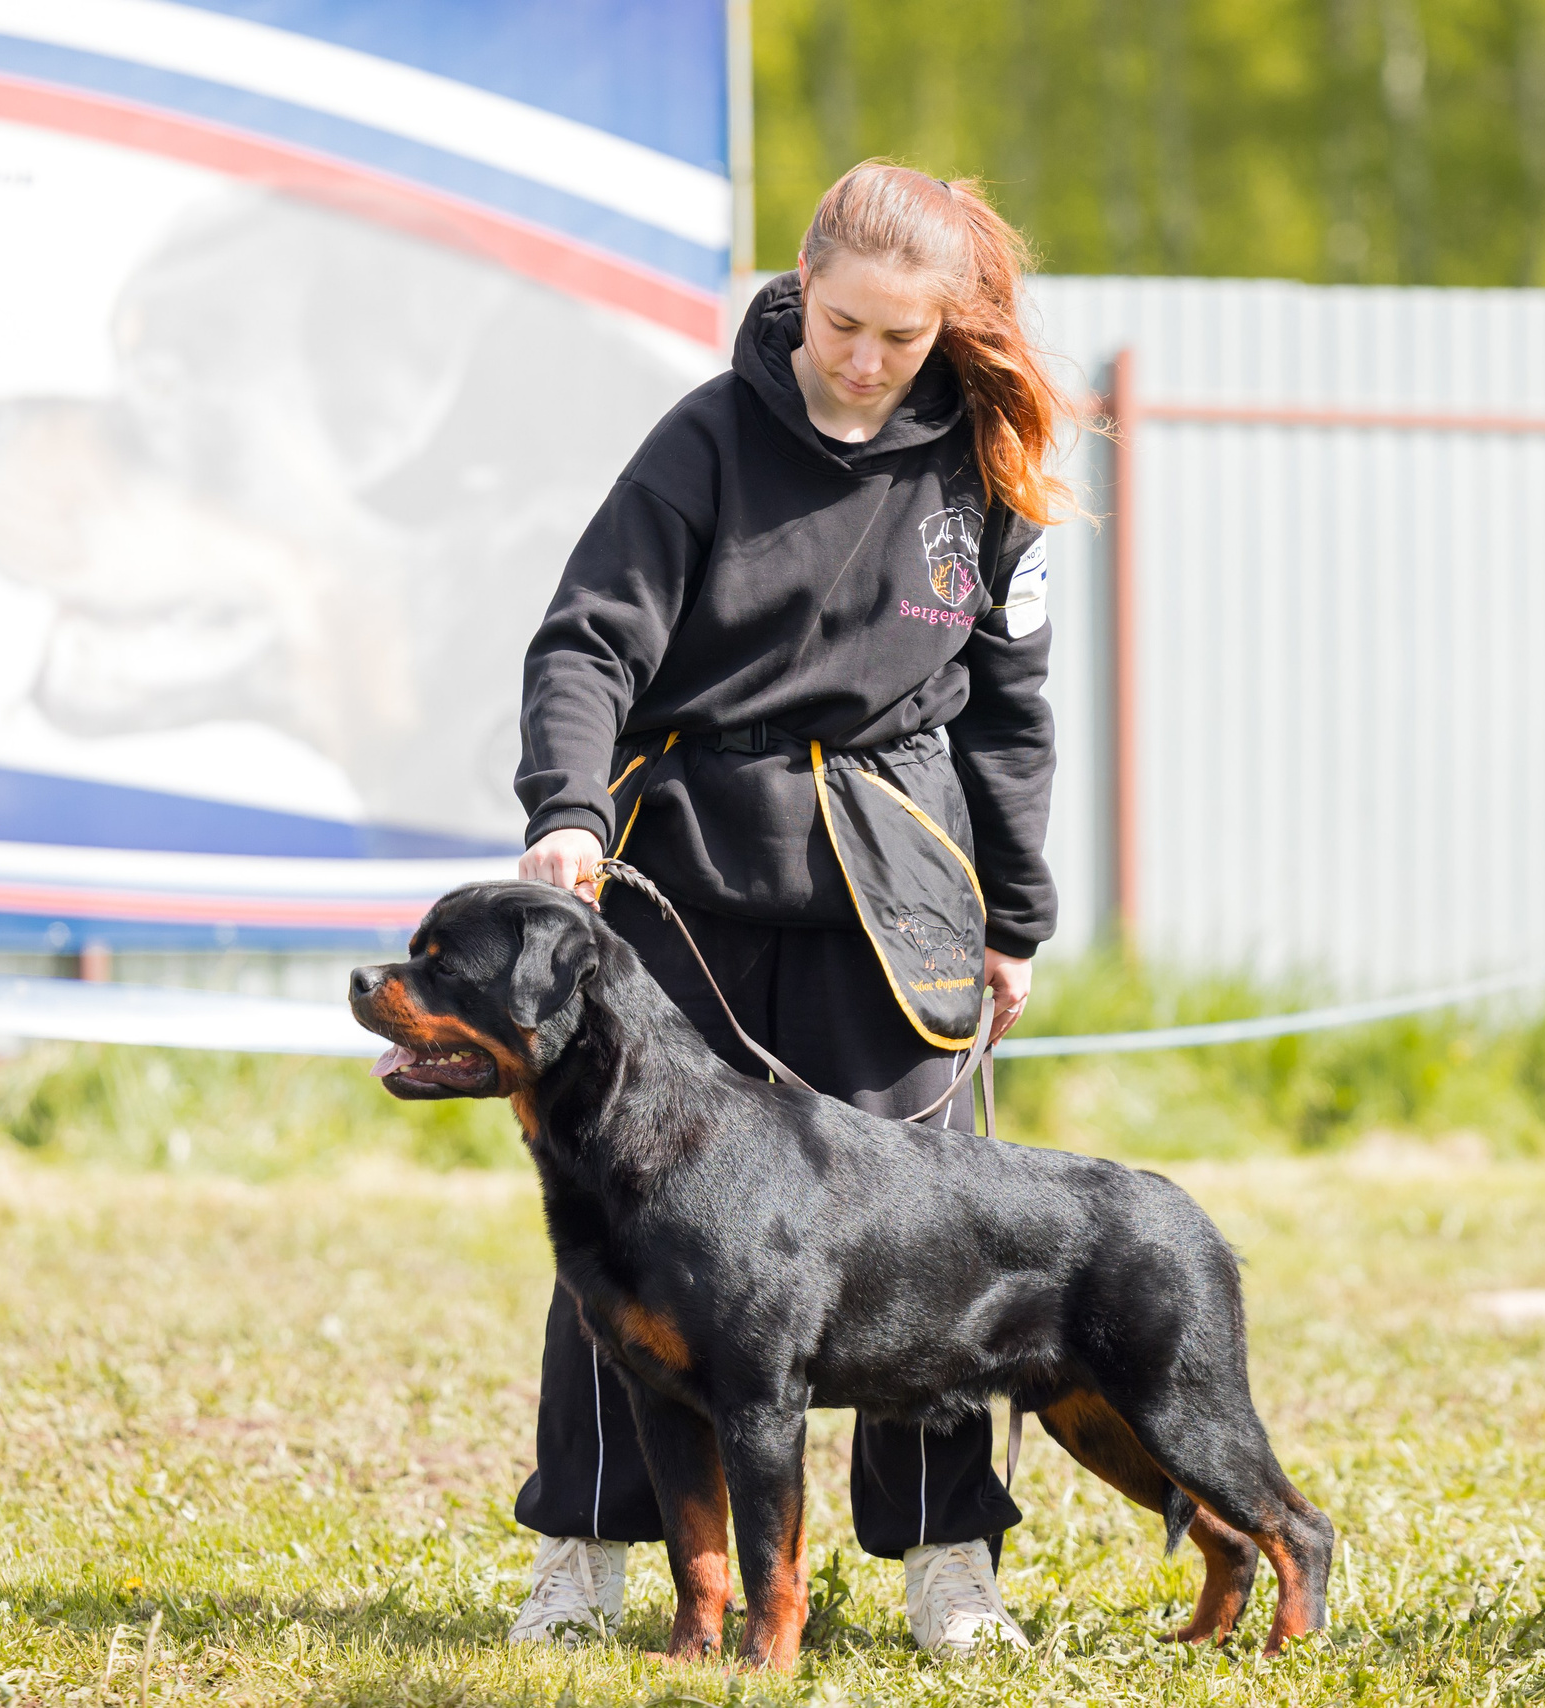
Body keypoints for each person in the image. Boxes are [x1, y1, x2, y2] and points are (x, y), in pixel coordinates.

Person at [503, 161, 1076, 1656]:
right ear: (798, 291)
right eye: (844, 326)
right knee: (624, 1240)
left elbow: (1011, 717)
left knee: (940, 1234)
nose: (869, 361)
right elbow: (585, 643)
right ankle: (586, 1551)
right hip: (680, 889)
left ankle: (952, 1565)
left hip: (897, 895)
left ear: (948, 329)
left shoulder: (987, 470)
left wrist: (1015, 916)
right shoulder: (702, 439)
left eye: (904, 337)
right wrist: (566, 813)